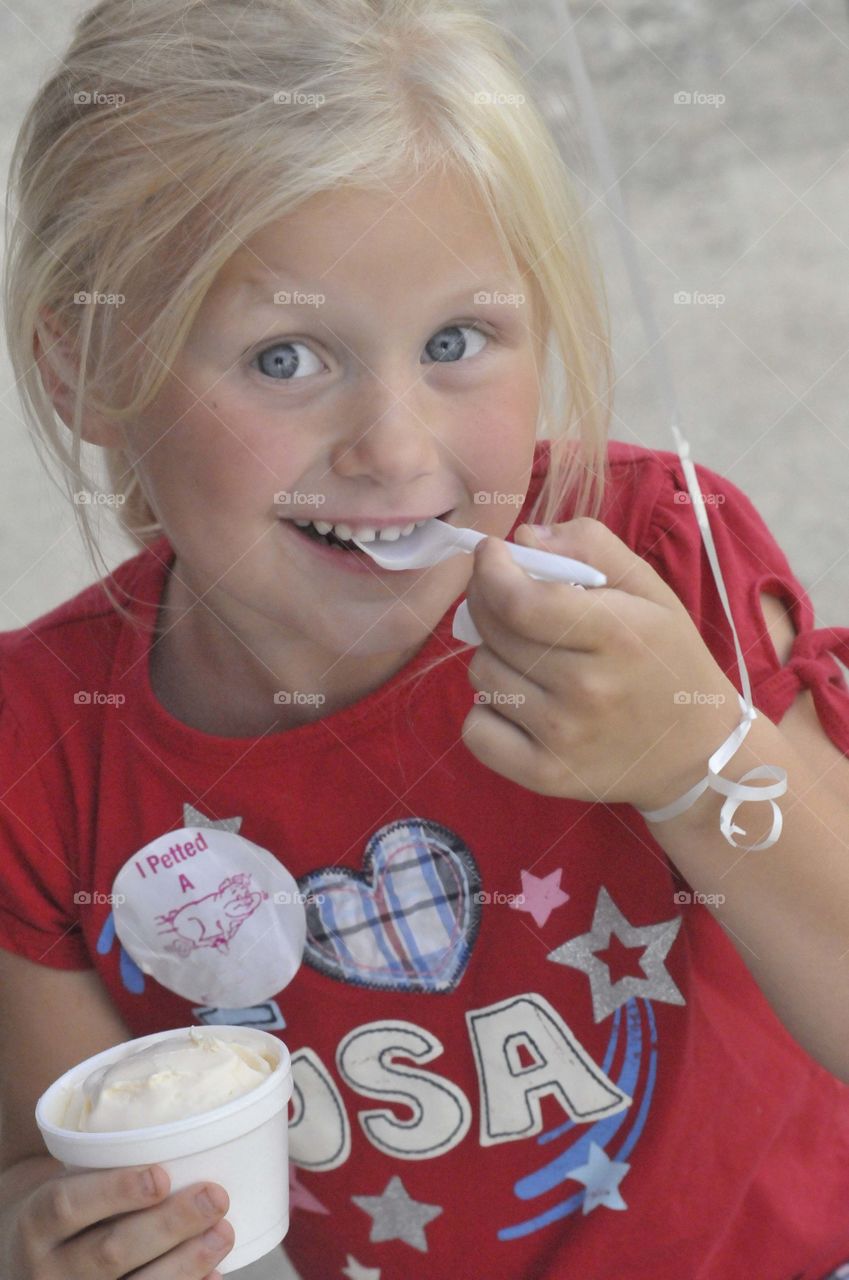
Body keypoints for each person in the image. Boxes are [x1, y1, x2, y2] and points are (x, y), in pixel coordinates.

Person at [1, 1, 849, 1278]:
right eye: (286, 356)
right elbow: (45, 1161)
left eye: (457, 342)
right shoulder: (45, 758)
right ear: (84, 363)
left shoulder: (659, 569)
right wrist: (51, 1242)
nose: (396, 450)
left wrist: (691, 751)